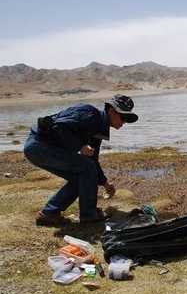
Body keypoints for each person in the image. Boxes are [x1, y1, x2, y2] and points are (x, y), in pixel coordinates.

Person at [24, 94, 138, 226]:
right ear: (112, 111)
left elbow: (93, 160)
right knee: (87, 169)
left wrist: (105, 183)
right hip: (39, 146)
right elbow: (58, 127)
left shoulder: (98, 129)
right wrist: (80, 146)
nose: (123, 123)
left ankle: (49, 214)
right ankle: (89, 216)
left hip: (41, 149)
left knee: (82, 176)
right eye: (123, 118)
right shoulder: (89, 113)